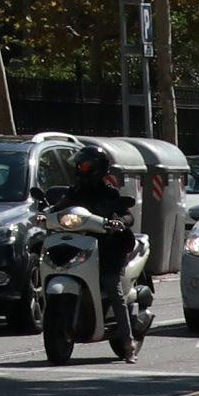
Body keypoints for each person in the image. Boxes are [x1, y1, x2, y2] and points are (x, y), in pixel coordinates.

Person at [52, 140, 142, 359]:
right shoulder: (74, 191)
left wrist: (120, 221)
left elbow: (127, 213)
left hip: (110, 248)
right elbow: (59, 207)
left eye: (84, 166)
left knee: (111, 284)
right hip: (81, 245)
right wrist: (45, 214)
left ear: (97, 169)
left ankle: (128, 342)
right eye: (78, 166)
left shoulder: (109, 193)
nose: (79, 169)